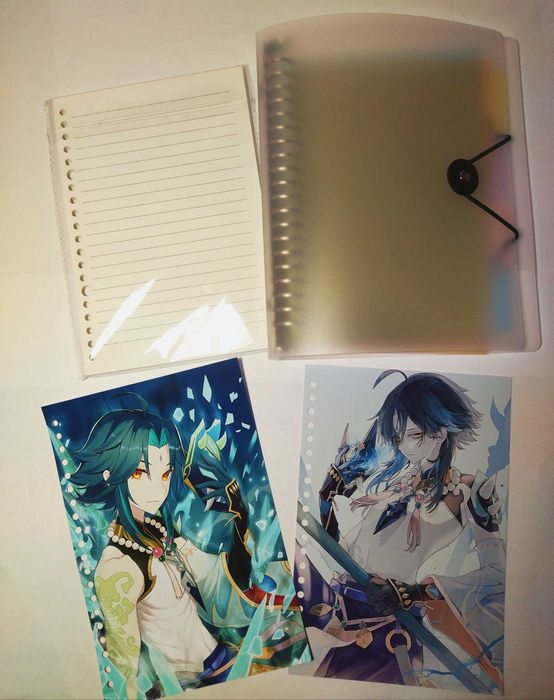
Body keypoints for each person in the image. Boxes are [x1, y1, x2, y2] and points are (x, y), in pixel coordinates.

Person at [69, 395, 299, 699]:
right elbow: (126, 668)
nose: (159, 487)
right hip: (193, 686)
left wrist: (239, 517)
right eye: (141, 472)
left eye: (165, 473)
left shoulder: (165, 536)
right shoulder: (116, 568)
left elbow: (224, 586)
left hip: (227, 663)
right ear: (111, 473)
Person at [310, 371, 505, 691]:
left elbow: (496, 577)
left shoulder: (472, 490)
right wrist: (325, 503)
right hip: (343, 627)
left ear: (441, 432)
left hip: (391, 636)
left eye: (413, 435)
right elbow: (346, 555)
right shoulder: (396, 485)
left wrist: (413, 592)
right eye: (398, 437)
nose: (405, 448)